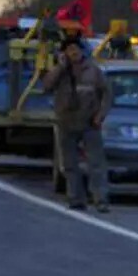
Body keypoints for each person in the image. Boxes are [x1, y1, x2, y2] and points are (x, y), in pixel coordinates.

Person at [41, 33, 113, 212]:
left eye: (76, 49)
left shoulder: (93, 70)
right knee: (70, 164)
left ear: (82, 51)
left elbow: (106, 94)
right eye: (69, 50)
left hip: (89, 122)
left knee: (96, 163)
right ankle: (75, 198)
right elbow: (46, 86)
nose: (73, 53)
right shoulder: (60, 71)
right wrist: (60, 67)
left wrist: (100, 116)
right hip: (66, 122)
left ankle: (100, 199)